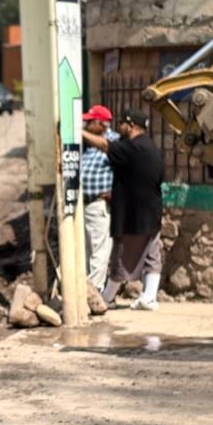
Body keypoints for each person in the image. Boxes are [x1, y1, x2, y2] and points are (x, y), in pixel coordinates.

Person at [82, 107, 164, 310]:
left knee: (121, 257)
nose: (119, 127)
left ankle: (107, 297)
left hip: (133, 214)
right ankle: (149, 297)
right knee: (152, 256)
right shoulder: (151, 147)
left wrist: (77, 132)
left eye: (122, 124)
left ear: (131, 125)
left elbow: (104, 145)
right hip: (152, 213)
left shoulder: (132, 147)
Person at [80, 105, 117, 315]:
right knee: (86, 251)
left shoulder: (111, 141)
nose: (86, 124)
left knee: (98, 252)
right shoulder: (88, 146)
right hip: (84, 204)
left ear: (100, 123)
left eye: (90, 121)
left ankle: (93, 294)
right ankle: (86, 291)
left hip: (98, 204)